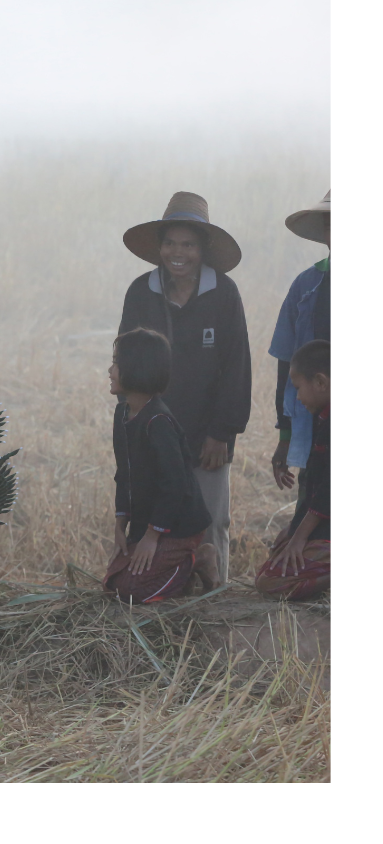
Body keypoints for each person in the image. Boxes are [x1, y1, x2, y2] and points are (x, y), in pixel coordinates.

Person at [118, 192, 251, 584]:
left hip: (207, 434)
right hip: (153, 431)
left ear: (203, 249)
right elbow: (127, 363)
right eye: (170, 243)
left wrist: (221, 433)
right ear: (159, 247)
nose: (178, 253)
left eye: (188, 244)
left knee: (211, 522)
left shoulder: (224, 293)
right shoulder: (141, 293)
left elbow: (237, 366)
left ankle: (214, 599)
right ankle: (164, 595)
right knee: (152, 520)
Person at [103, 328, 220, 603]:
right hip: (147, 523)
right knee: (112, 582)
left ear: (137, 369)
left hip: (177, 524)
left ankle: (197, 559)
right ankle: (175, 570)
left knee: (133, 593)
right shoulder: (123, 414)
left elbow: (175, 485)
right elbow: (124, 473)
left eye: (117, 363)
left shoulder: (159, 423)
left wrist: (152, 536)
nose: (110, 370)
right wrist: (121, 525)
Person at [256, 340, 330, 600]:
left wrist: (300, 537)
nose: (297, 397)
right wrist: (295, 528)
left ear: (321, 383)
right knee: (269, 569)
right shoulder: (324, 419)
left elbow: (330, 491)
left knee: (271, 583)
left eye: (298, 388)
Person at [269, 191, 330, 503]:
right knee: (313, 507)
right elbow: (287, 367)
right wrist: (285, 437)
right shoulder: (307, 286)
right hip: (316, 427)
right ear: (325, 231)